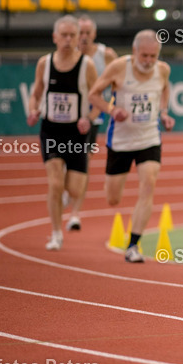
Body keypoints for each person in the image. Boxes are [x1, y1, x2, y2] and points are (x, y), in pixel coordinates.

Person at [88, 30, 175, 263]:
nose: (148, 61)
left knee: (149, 184)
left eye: (153, 56)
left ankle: (133, 245)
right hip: (121, 141)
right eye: (144, 55)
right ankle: (132, 242)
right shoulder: (118, 67)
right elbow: (93, 94)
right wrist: (111, 110)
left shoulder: (162, 70)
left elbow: (165, 87)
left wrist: (164, 112)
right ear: (135, 51)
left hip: (149, 138)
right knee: (112, 198)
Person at [26, 15, 100, 251]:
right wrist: (33, 110)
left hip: (76, 133)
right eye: (64, 35)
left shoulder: (87, 65)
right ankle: (56, 233)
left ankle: (68, 202)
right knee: (55, 184)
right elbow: (36, 93)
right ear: (55, 37)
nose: (68, 40)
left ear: (79, 38)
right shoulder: (44, 63)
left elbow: (98, 100)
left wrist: (88, 119)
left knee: (75, 189)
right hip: (51, 130)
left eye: (73, 35)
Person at [63, 15, 119, 232]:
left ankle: (75, 214)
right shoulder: (67, 56)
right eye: (81, 33)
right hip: (67, 117)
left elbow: (118, 81)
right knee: (62, 162)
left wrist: (112, 106)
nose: (84, 37)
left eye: (88, 33)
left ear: (94, 34)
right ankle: (67, 189)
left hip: (93, 116)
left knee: (83, 163)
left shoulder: (106, 54)